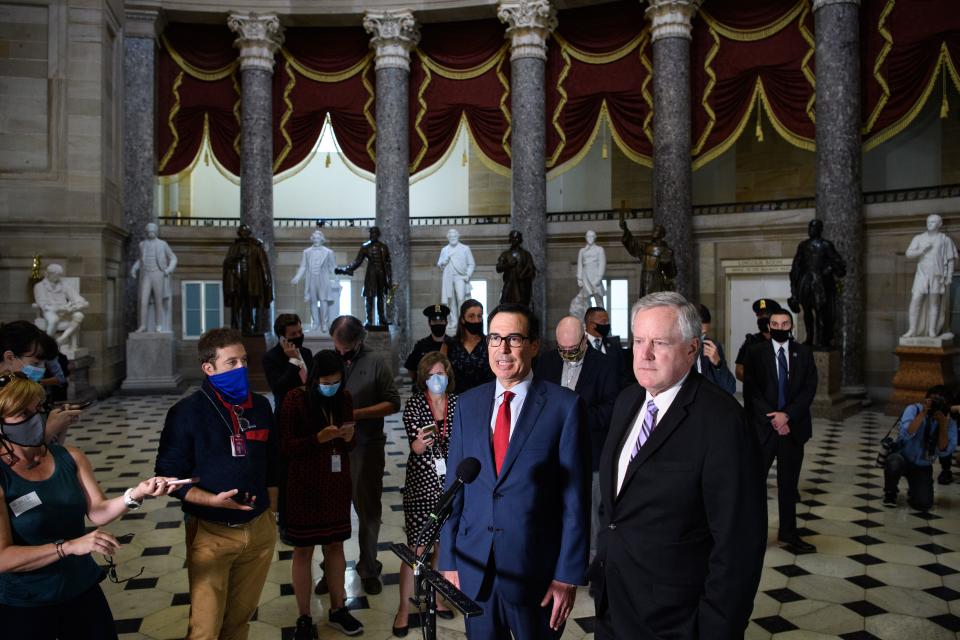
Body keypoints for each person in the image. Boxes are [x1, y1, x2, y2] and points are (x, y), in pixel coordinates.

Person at [593, 292, 766, 639]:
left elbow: (738, 543)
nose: (644, 354)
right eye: (639, 340)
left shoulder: (722, 420)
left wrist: (717, 628)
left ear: (692, 349)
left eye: (659, 342)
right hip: (614, 605)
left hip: (677, 619)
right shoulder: (628, 401)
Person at [440, 303, 590, 640]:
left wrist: (567, 576)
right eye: (495, 338)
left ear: (535, 345)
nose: (502, 350)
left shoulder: (564, 407)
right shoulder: (467, 404)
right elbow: (455, 489)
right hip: (475, 570)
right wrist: (448, 560)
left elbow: (575, 500)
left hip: (534, 573)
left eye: (514, 339)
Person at [0, 372, 176, 639]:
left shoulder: (69, 456)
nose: (35, 419)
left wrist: (137, 493)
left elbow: (98, 512)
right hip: (26, 601)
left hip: (80, 588)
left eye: (38, 409)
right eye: (22, 415)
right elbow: (3, 558)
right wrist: (69, 546)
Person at [156, 327, 280, 639]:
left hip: (259, 527)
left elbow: (273, 463)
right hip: (212, 531)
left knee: (238, 622)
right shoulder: (186, 413)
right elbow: (169, 477)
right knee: (206, 629)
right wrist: (211, 501)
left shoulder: (261, 406)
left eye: (244, 360)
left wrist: (271, 513)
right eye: (231, 363)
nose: (242, 369)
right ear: (208, 368)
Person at [278, 351, 363, 639]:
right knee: (303, 550)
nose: (332, 386)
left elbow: (351, 443)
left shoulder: (345, 398)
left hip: (336, 484)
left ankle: (339, 608)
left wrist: (350, 438)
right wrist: (318, 439)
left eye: (337, 381)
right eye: (326, 382)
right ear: (315, 379)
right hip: (304, 485)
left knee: (336, 545)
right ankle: (304, 616)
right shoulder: (295, 399)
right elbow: (286, 446)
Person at [319, 315, 400, 596]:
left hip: (367, 446)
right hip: (331, 447)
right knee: (330, 511)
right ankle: (330, 569)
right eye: (336, 346)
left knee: (367, 510)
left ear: (358, 341)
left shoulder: (376, 361)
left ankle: (368, 567)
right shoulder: (329, 358)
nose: (340, 352)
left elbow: (393, 402)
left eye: (345, 347)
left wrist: (356, 415)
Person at [533, 316, 617, 568]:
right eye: (563, 350)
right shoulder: (546, 361)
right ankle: (558, 560)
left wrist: (573, 417)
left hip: (590, 451)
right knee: (554, 508)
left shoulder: (605, 364)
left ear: (584, 339)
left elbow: (611, 408)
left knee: (591, 512)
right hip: (553, 454)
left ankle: (592, 564)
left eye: (573, 349)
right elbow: (536, 400)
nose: (568, 354)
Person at [742, 307, 818, 554]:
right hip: (764, 430)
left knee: (788, 485)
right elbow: (751, 391)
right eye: (775, 324)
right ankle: (750, 535)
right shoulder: (755, 353)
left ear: (791, 327)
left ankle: (788, 534)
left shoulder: (804, 353)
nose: (780, 328)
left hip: (792, 429)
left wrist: (787, 416)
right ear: (769, 326)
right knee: (754, 485)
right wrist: (773, 418)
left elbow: (809, 389)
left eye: (785, 324)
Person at [394, 352, 458, 637]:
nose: (437, 379)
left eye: (441, 374)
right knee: (417, 549)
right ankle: (403, 610)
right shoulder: (415, 405)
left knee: (442, 548)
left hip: (449, 486)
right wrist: (418, 445)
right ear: (423, 377)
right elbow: (415, 446)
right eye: (432, 375)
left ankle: (437, 598)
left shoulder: (457, 403)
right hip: (421, 485)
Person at [0, 321, 81, 444]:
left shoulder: (26, 391)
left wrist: (61, 423)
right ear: (10, 357)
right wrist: (50, 431)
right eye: (36, 363)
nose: (42, 370)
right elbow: (18, 457)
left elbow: (53, 448)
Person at [883, 386, 958, 511]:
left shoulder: (949, 422)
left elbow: (944, 451)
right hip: (903, 457)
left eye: (940, 402)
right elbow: (905, 434)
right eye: (933, 401)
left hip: (922, 465)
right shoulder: (913, 409)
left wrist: (943, 424)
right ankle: (890, 492)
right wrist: (923, 413)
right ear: (926, 399)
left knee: (924, 504)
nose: (935, 405)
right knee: (894, 462)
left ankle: (914, 490)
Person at [787, 219, 846, 349]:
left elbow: (838, 262)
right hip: (807, 281)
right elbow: (797, 265)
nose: (811, 230)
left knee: (822, 312)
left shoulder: (826, 245)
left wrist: (829, 269)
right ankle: (809, 338)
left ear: (819, 230)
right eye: (810, 227)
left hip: (821, 283)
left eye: (813, 228)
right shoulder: (803, 246)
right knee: (807, 312)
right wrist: (794, 288)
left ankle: (821, 340)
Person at [903, 213, 959, 338]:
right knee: (916, 299)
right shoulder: (919, 238)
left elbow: (950, 259)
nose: (929, 224)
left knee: (934, 302)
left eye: (933, 222)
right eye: (928, 221)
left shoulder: (944, 239)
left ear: (940, 224)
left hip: (937, 274)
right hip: (922, 274)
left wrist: (949, 275)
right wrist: (921, 250)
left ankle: (932, 330)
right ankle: (912, 329)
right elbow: (908, 253)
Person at [336, 226, 393, 327]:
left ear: (378, 234)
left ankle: (381, 318)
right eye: (371, 233)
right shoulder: (365, 247)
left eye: (374, 233)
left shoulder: (384, 247)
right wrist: (345, 269)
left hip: (381, 274)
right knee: (369, 297)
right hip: (371, 275)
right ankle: (369, 319)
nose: (372, 235)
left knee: (381, 297)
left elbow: (388, 264)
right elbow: (357, 261)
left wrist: (389, 279)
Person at [223, 224, 274, 336]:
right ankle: (235, 328)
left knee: (251, 304)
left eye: (245, 232)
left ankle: (253, 327)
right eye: (241, 232)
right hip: (237, 280)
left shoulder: (256, 247)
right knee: (236, 305)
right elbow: (227, 263)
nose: (243, 234)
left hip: (253, 281)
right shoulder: (234, 247)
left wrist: (267, 280)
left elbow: (264, 265)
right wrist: (236, 257)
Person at [131, 222, 178, 333]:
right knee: (143, 300)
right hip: (146, 275)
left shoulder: (163, 244)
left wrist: (168, 270)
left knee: (158, 300)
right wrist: (134, 268)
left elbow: (173, 258)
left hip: (158, 274)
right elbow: (141, 260)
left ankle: (159, 325)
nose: (151, 233)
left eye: (153, 231)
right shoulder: (142, 244)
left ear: (156, 232)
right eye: (149, 231)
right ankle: (143, 325)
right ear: (146, 232)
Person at [262, 314, 314, 414]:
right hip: (286, 412)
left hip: (309, 409)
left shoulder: (306, 352)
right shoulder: (270, 357)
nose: (299, 336)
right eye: (293, 334)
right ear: (282, 338)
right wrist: (294, 360)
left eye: (300, 332)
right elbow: (278, 388)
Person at [291, 229, 338, 333]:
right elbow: (303, 266)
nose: (316, 240)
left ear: (322, 239)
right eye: (314, 238)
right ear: (312, 239)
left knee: (323, 300)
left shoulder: (328, 252)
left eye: (318, 238)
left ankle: (324, 323)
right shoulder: (306, 252)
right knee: (313, 301)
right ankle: (315, 323)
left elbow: (333, 267)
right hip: (311, 278)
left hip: (323, 279)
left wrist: (336, 279)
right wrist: (297, 277)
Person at [33, 263, 89, 349]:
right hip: (49, 311)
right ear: (47, 274)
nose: (57, 278)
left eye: (58, 275)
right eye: (55, 275)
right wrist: (59, 308)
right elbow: (43, 304)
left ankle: (62, 339)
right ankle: (46, 343)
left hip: (65, 312)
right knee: (54, 320)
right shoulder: (39, 286)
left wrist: (78, 305)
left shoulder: (64, 285)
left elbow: (77, 298)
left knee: (79, 315)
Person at [619, 219, 676, 299]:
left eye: (657, 230)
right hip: (647, 277)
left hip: (655, 279)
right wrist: (626, 229)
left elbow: (671, 273)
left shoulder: (664, 251)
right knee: (647, 300)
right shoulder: (645, 247)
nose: (655, 232)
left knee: (652, 301)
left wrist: (626, 230)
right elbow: (632, 243)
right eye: (655, 230)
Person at [448, 299, 494, 394]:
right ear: (462, 319)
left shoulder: (490, 343)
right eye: (471, 316)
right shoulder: (450, 344)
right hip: (456, 400)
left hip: (484, 398)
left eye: (479, 316)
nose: (476, 320)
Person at [404, 305, 456, 386]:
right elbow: (411, 368)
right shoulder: (421, 345)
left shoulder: (454, 344)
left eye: (441, 320)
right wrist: (420, 383)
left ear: (446, 322)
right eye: (434, 321)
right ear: (429, 323)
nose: (438, 324)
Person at [437, 229, 476, 335]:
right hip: (448, 277)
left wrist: (467, 275)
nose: (453, 238)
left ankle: (462, 320)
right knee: (451, 301)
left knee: (461, 298)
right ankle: (454, 322)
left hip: (460, 277)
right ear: (448, 238)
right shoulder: (444, 250)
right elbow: (439, 263)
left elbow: (471, 264)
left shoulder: (465, 249)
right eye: (451, 237)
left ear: (458, 237)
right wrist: (444, 261)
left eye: (454, 236)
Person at [584, 307, 632, 389]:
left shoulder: (614, 345)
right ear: (592, 325)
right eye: (604, 322)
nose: (607, 324)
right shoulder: (579, 345)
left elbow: (623, 374)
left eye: (608, 321)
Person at [734, 298, 781, 382]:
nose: (763, 318)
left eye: (767, 314)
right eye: (760, 315)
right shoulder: (751, 341)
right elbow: (739, 371)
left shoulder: (783, 340)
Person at [694, 304, 736, 395]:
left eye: (704, 334)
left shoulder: (712, 346)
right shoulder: (676, 350)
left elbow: (730, 388)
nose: (701, 337)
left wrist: (718, 364)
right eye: (698, 333)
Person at [495, 230, 537, 306]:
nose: (515, 240)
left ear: (520, 240)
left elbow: (531, 270)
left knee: (523, 305)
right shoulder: (505, 254)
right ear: (510, 240)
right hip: (509, 284)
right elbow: (498, 268)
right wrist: (508, 265)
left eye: (517, 238)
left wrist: (524, 275)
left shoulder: (526, 254)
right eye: (513, 238)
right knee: (505, 303)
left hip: (522, 286)